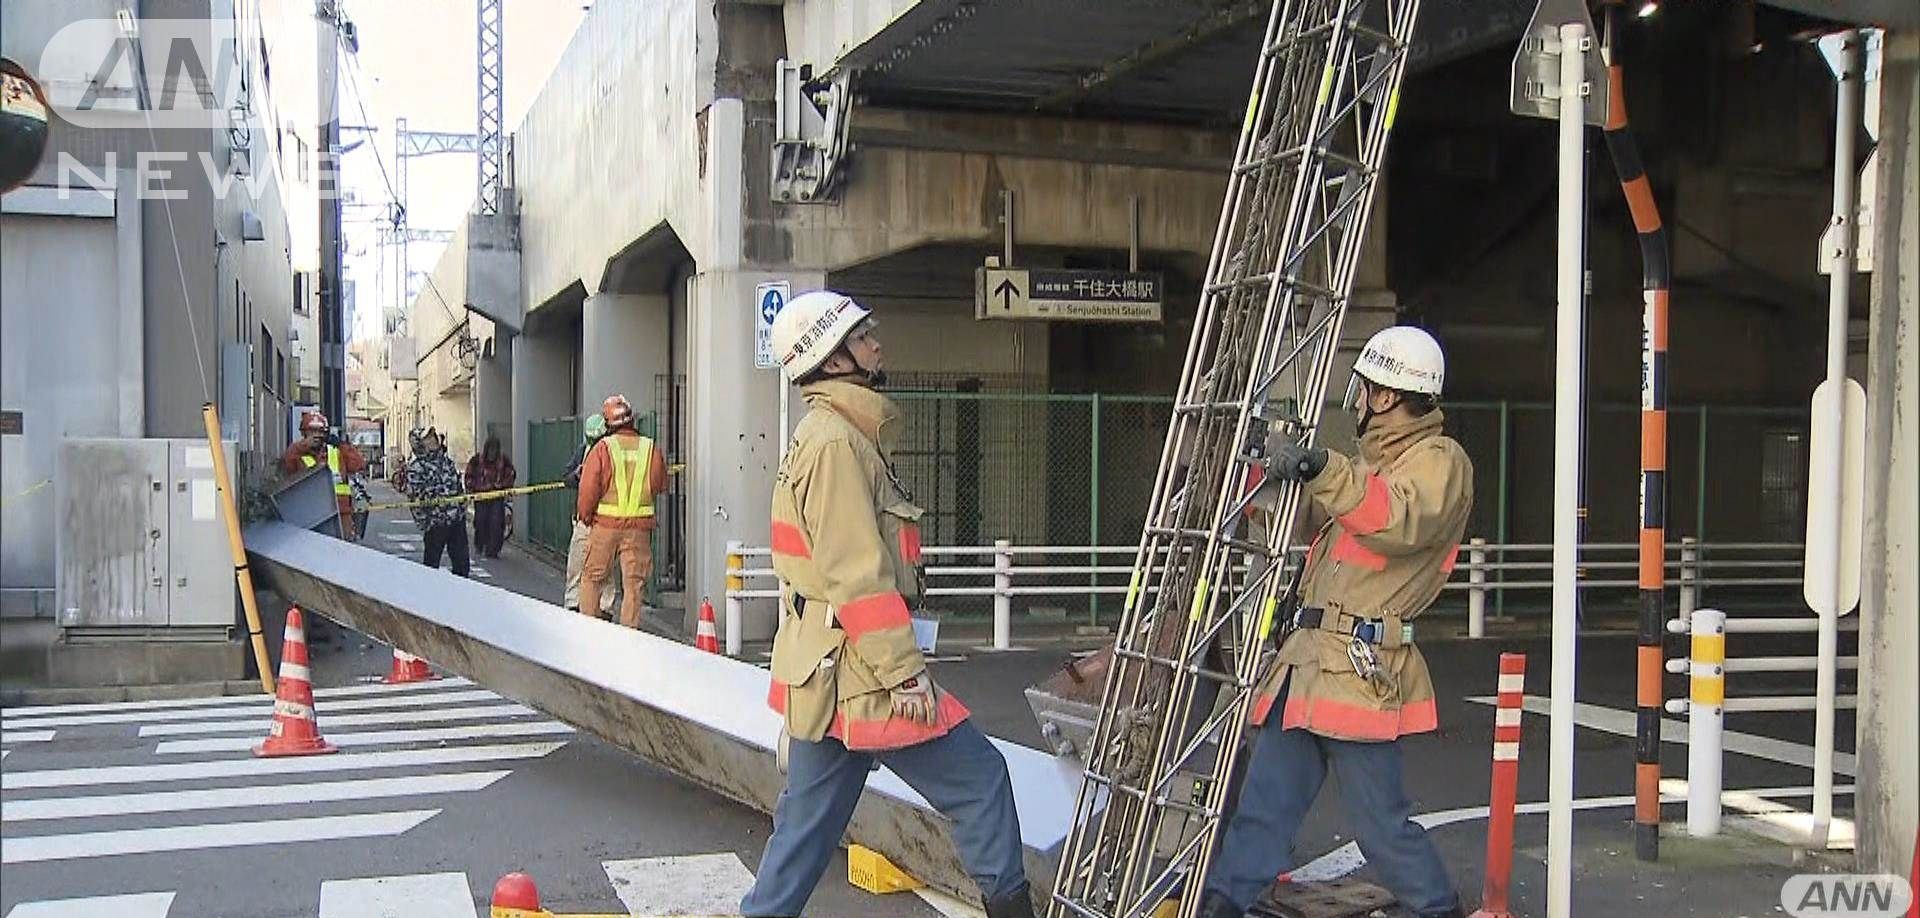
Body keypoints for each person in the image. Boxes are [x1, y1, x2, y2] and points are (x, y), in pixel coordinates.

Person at [741, 290, 1034, 918]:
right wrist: (905, 672)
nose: (877, 341)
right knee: (983, 783)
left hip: (826, 675)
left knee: (803, 832)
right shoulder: (839, 446)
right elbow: (858, 576)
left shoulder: (832, 436)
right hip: (863, 674)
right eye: (862, 334)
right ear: (833, 358)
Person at [1196, 326, 1471, 918]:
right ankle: (1222, 906)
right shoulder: (1368, 463)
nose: (1361, 397)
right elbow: (1313, 511)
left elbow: (1394, 519)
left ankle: (1437, 908)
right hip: (1307, 664)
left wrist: (1321, 466)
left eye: (1368, 387)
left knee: (1381, 829)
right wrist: (1263, 468)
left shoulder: (1440, 463)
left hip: (1359, 673)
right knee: (1262, 809)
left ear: (1389, 396)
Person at [576, 394, 668, 630]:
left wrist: (585, 516)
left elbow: (588, 489)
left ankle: (589, 632)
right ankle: (630, 638)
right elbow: (659, 484)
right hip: (639, 530)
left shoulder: (602, 449)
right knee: (634, 585)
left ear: (607, 424)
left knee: (592, 578)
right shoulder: (650, 449)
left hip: (605, 527)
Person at [562, 413, 618, 618]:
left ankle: (605, 607)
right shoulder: (582, 452)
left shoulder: (613, 454)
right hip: (584, 519)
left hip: (605, 520)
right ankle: (573, 603)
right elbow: (565, 477)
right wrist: (576, 474)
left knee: (606, 567)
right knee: (576, 562)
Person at [279, 411, 367, 540]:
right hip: (311, 516)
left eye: (321, 432)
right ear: (304, 433)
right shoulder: (297, 454)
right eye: (312, 432)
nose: (317, 436)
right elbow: (286, 466)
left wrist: (342, 445)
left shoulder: (336, 452)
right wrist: (301, 447)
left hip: (341, 514)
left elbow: (358, 464)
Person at [402, 427, 471, 578]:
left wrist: (462, 508)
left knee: (462, 565)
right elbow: (414, 499)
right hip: (435, 524)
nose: (432, 440)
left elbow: (458, 487)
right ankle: (431, 598)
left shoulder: (446, 462)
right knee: (431, 567)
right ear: (419, 444)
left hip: (456, 520)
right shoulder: (416, 468)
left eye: (433, 436)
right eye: (427, 438)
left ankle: (462, 595)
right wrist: (426, 523)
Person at [466, 434, 517, 559]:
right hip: (481, 496)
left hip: (497, 497)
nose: (492, 452)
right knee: (480, 521)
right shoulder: (477, 460)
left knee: (496, 523)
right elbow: (468, 476)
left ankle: (493, 550)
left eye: (495, 449)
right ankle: (480, 544)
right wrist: (473, 488)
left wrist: (502, 486)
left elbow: (511, 474)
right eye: (490, 449)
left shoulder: (503, 461)